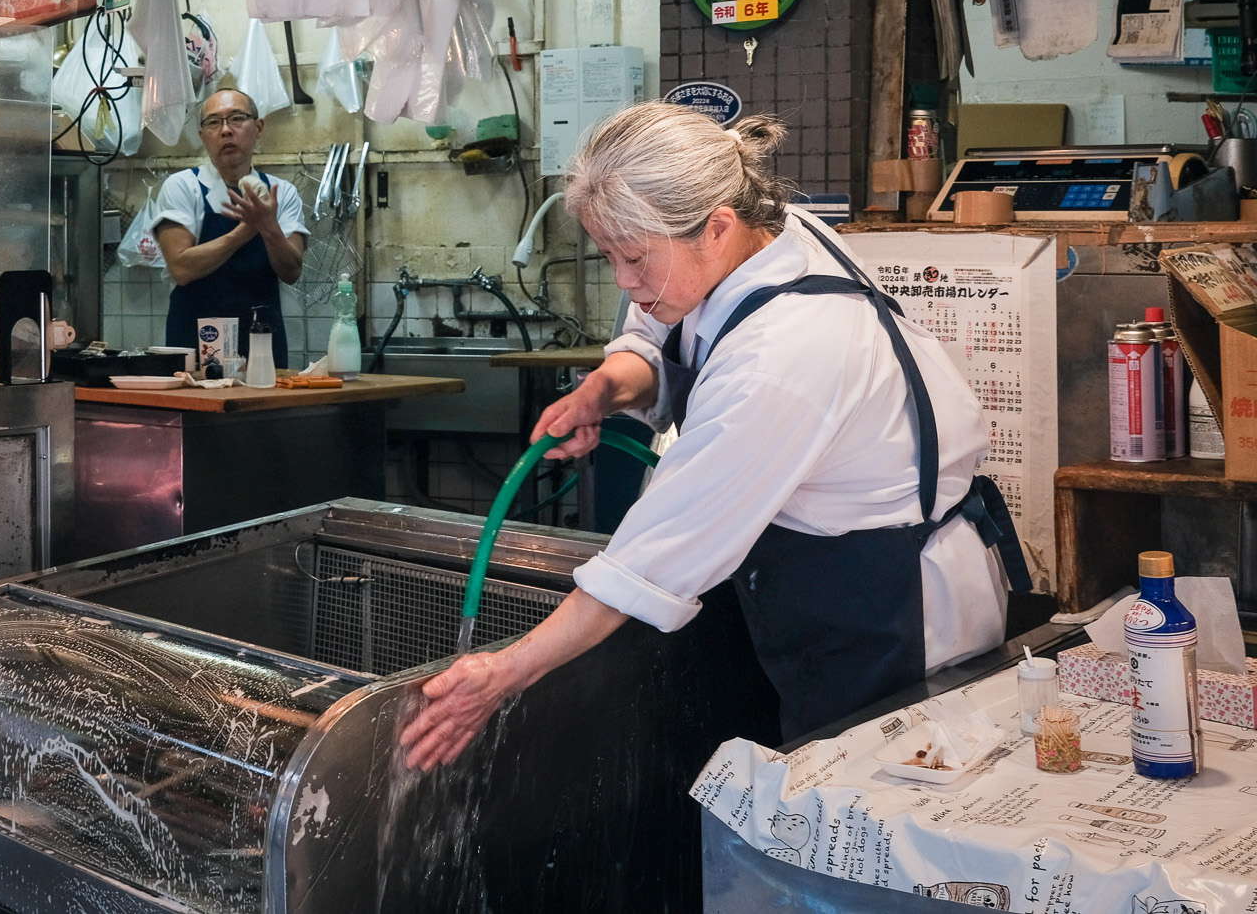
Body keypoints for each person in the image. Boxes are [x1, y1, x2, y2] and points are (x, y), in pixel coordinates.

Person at [400, 105, 1028, 765]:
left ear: (719, 226)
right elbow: (654, 332)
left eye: (635, 257)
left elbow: (649, 558)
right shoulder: (772, 234)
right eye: (608, 254)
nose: (623, 280)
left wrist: (503, 674)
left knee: (875, 807)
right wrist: (605, 389)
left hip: (889, 610)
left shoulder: (782, 356)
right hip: (832, 569)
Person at [152, 87, 308, 369]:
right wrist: (246, 231)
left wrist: (269, 226)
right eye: (213, 122)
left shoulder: (282, 193)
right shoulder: (183, 187)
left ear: (258, 127)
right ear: (202, 136)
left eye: (237, 119)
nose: (226, 130)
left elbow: (291, 271)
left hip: (262, 341)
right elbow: (182, 268)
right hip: (195, 342)